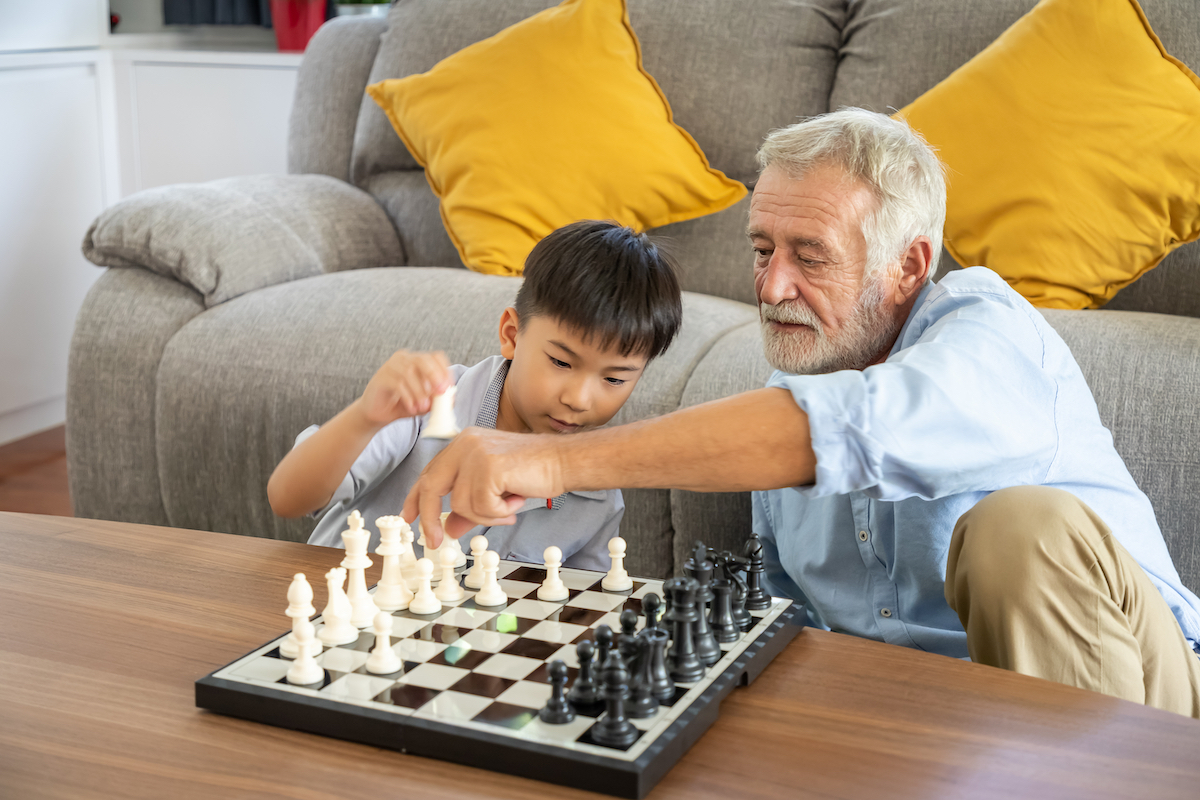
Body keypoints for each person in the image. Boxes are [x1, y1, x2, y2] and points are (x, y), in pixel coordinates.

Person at [402, 109, 1200, 717]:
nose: (771, 286)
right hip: (939, 738)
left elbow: (855, 425)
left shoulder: (991, 335)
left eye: (809, 256)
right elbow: (797, 627)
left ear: (907, 267)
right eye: (761, 250)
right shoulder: (786, 410)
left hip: (1149, 705)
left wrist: (543, 460)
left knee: (1020, 532)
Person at [266, 219, 682, 570]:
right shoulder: (427, 405)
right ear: (512, 335)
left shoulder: (597, 492)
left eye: (614, 379)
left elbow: (576, 610)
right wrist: (364, 417)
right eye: (561, 362)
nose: (579, 399)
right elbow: (287, 498)